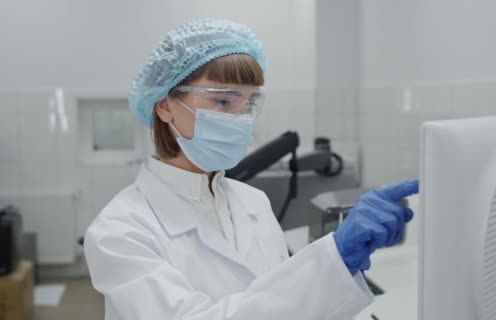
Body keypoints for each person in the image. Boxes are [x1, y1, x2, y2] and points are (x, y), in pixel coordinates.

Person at [84, 18, 418, 320]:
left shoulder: (253, 202)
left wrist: (340, 269)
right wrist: (332, 260)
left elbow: (287, 306)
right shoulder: (120, 231)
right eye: (224, 101)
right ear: (165, 105)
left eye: (249, 103)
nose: (241, 119)